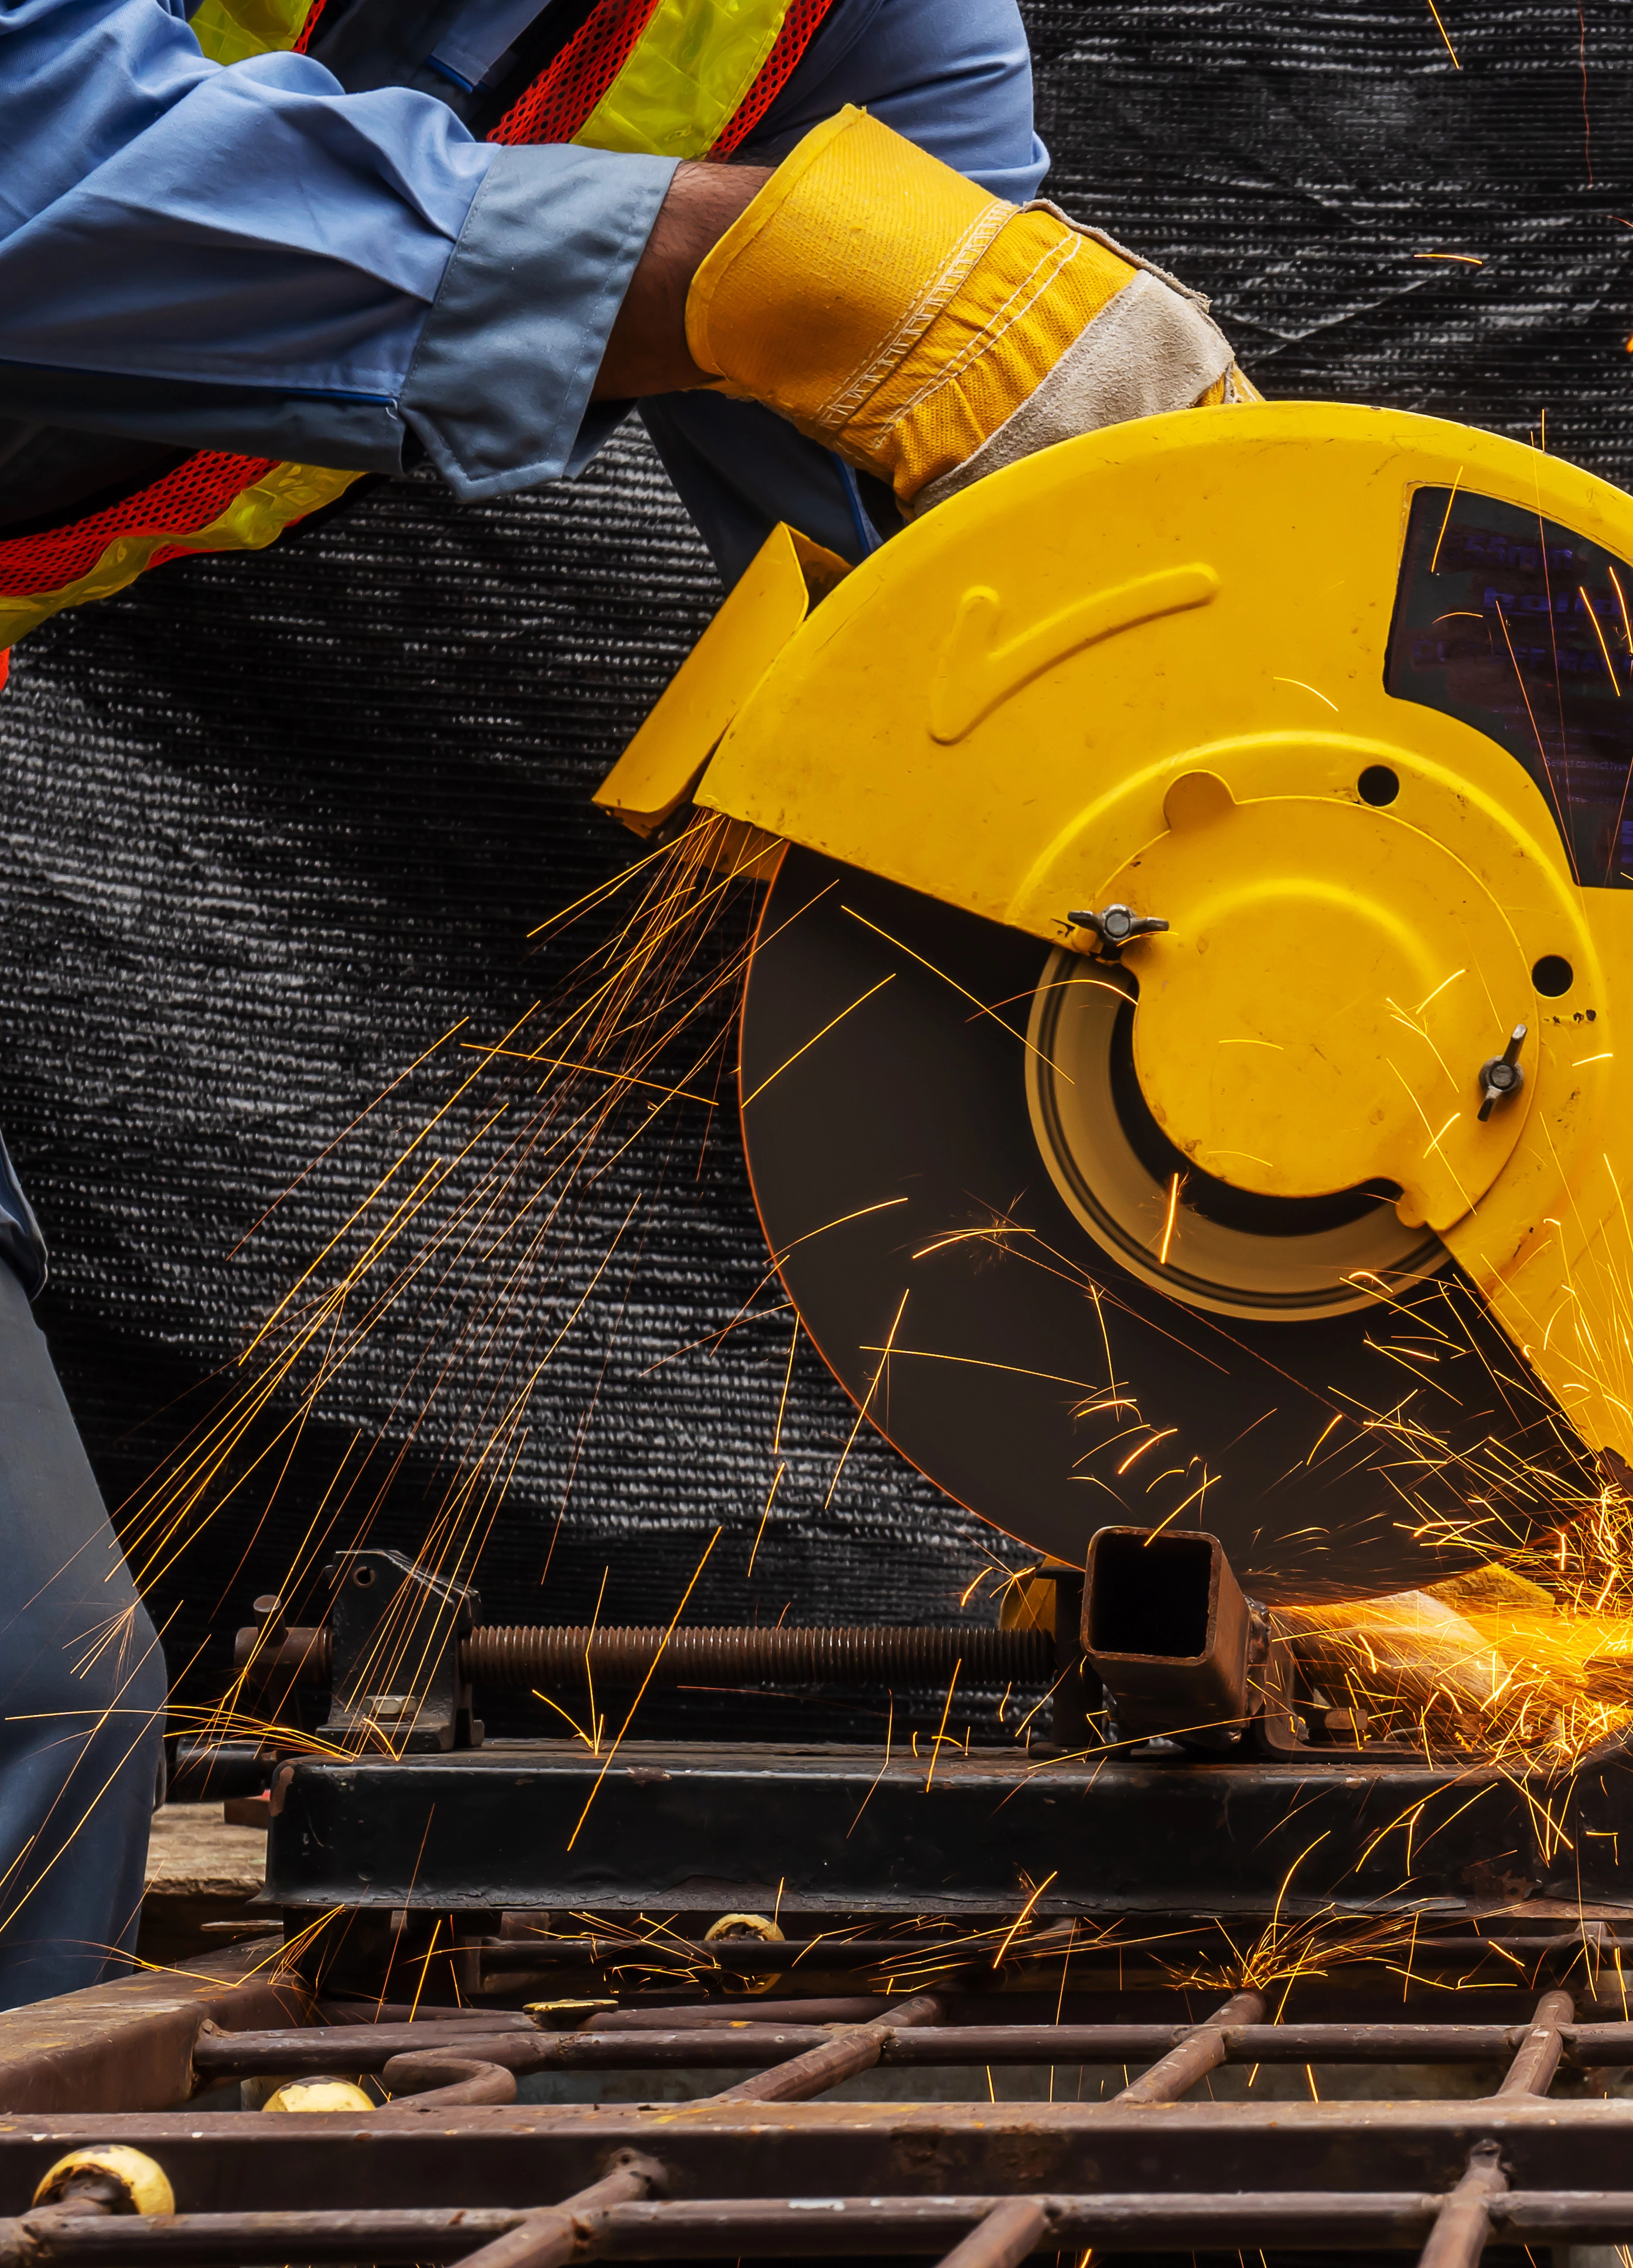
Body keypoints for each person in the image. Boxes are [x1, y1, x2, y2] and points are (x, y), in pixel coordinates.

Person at [0, 0, 1248, 2001]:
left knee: (31, 1738)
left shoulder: (871, 29)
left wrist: (1285, 1358)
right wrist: (736, 265)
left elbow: (992, 708)